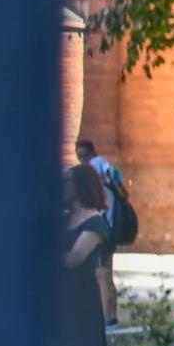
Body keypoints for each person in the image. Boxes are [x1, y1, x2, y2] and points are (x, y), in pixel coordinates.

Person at [62, 163, 115, 346]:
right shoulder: (64, 217)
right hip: (59, 303)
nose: (63, 187)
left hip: (80, 304)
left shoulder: (95, 222)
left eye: (69, 182)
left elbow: (74, 258)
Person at [74, 139, 121, 325]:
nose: (84, 162)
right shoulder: (111, 185)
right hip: (110, 233)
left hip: (103, 234)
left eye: (86, 157)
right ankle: (112, 313)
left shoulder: (101, 191)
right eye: (80, 158)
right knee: (106, 274)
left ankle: (104, 317)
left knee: (102, 275)